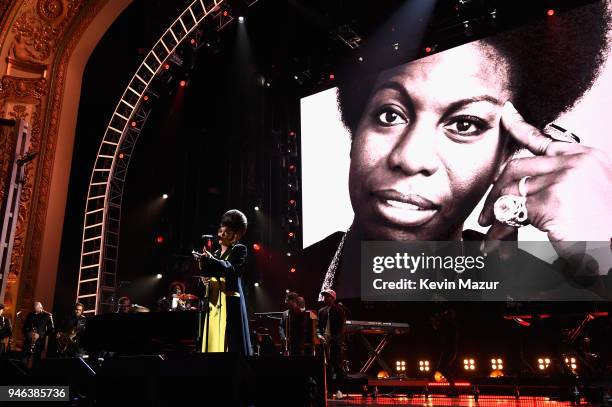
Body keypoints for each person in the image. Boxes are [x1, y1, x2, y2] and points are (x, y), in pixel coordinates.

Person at [298, 2, 612, 301]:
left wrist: (601, 253)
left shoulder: (532, 287)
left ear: (507, 154)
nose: (410, 159)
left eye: (465, 125)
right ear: (356, 131)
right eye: (390, 115)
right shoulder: (290, 278)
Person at [197, 209, 252, 355]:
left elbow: (233, 270)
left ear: (235, 236)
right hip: (214, 304)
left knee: (230, 343)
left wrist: (212, 261)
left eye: (226, 232)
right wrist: (204, 279)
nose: (220, 235)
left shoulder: (240, 249)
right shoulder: (215, 253)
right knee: (212, 340)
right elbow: (210, 275)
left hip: (229, 303)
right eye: (220, 231)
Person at [317, 289, 347, 399]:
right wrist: (319, 336)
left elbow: (341, 328)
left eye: (327, 296)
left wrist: (334, 341)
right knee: (327, 368)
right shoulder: (321, 311)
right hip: (324, 344)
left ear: (333, 298)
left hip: (335, 343)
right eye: (324, 297)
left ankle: (339, 389)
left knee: (338, 367)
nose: (325, 298)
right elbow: (318, 328)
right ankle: (329, 390)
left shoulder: (339, 310)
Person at [22, 302, 54, 368]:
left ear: (41, 308)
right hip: (28, 341)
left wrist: (40, 335)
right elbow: (24, 328)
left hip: (39, 342)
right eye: (34, 310)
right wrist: (28, 333)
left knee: (36, 363)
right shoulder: (30, 314)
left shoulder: (48, 315)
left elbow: (52, 330)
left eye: (36, 311)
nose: (35, 313)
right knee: (23, 361)